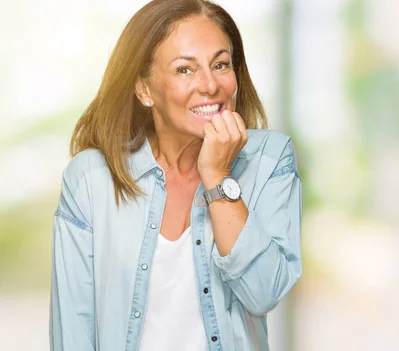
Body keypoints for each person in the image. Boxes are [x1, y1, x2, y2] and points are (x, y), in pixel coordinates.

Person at [49, 0, 302, 350]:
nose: (211, 85)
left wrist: (217, 176)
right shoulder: (91, 179)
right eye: (185, 69)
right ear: (145, 90)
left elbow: (264, 294)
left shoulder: (271, 160)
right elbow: (72, 332)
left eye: (221, 64)